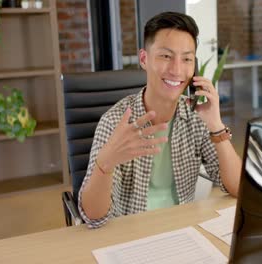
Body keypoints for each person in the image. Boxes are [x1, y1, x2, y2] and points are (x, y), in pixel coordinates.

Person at [78, 11, 242, 228]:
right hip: (129, 235)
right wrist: (106, 162)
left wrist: (216, 125)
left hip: (182, 230)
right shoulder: (115, 121)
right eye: (166, 56)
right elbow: (93, 217)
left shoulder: (196, 118)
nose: (176, 70)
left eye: (186, 59)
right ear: (144, 59)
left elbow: (238, 188)